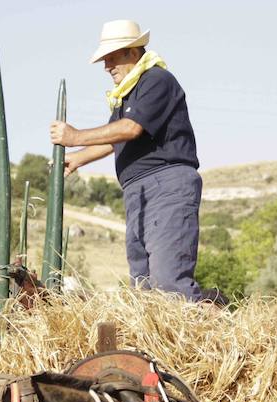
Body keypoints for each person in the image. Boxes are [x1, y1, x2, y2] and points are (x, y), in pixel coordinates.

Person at [49, 19, 204, 301]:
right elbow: (115, 138)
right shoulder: (127, 94)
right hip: (137, 191)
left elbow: (130, 129)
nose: (107, 67)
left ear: (132, 52)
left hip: (166, 184)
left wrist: (75, 136)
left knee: (169, 284)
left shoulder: (156, 80)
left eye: (111, 58)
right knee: (143, 290)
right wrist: (79, 158)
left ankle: (211, 329)